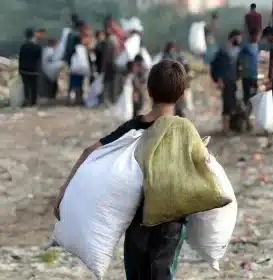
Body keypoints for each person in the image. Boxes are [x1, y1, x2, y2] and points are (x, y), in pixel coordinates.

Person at [54, 60, 188, 280]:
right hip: (171, 222)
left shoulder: (134, 127)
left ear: (149, 91)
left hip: (138, 220)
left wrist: (64, 190)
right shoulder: (184, 130)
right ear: (182, 95)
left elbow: (91, 151)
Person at [210, 29, 242, 133]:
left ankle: (232, 126)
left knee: (232, 103)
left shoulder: (236, 50)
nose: (240, 39)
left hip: (233, 81)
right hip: (225, 81)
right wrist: (218, 79)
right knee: (227, 104)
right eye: (239, 37)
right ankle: (225, 128)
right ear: (233, 38)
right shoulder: (223, 51)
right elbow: (215, 66)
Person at [161, 42, 191, 117]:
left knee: (178, 104)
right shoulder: (166, 58)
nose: (172, 50)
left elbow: (185, 68)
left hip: (177, 83)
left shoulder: (177, 57)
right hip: (170, 84)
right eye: (171, 48)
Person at [18, 28, 42, 107]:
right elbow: (40, 59)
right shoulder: (37, 46)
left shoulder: (23, 46)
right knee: (34, 87)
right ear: (33, 35)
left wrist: (20, 70)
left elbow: (20, 59)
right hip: (34, 71)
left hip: (24, 70)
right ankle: (33, 102)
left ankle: (27, 100)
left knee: (26, 86)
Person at [68, 31, 92, 106]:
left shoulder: (75, 48)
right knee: (77, 86)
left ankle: (74, 100)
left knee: (74, 86)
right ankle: (77, 100)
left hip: (75, 70)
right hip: (79, 70)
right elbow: (84, 60)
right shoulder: (80, 48)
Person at [102, 16, 121, 106]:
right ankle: (112, 100)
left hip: (111, 64)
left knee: (109, 83)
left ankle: (109, 101)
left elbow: (108, 55)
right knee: (112, 83)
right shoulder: (114, 38)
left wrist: (104, 65)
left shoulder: (111, 39)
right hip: (113, 64)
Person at [239, 28, 259, 106]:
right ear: (252, 36)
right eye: (256, 36)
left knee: (254, 95)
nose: (257, 37)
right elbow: (240, 60)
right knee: (247, 95)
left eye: (258, 36)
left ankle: (251, 111)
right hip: (247, 76)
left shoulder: (258, 47)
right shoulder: (246, 48)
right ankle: (246, 112)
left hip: (255, 76)